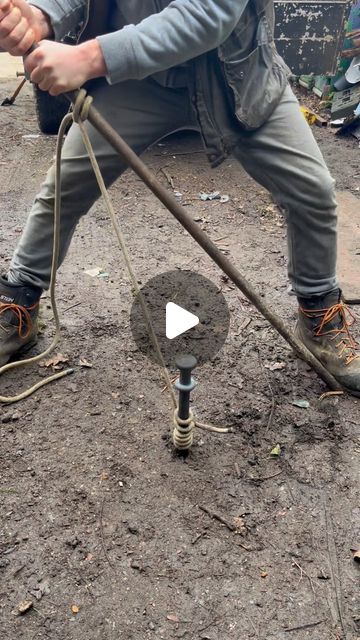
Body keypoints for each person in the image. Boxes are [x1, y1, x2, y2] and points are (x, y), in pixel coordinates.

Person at [0, 0, 359, 394]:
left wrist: (89, 57)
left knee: (312, 191)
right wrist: (41, 15)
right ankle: (19, 301)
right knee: (66, 185)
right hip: (141, 82)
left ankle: (319, 314)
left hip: (236, 76)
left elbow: (209, 14)